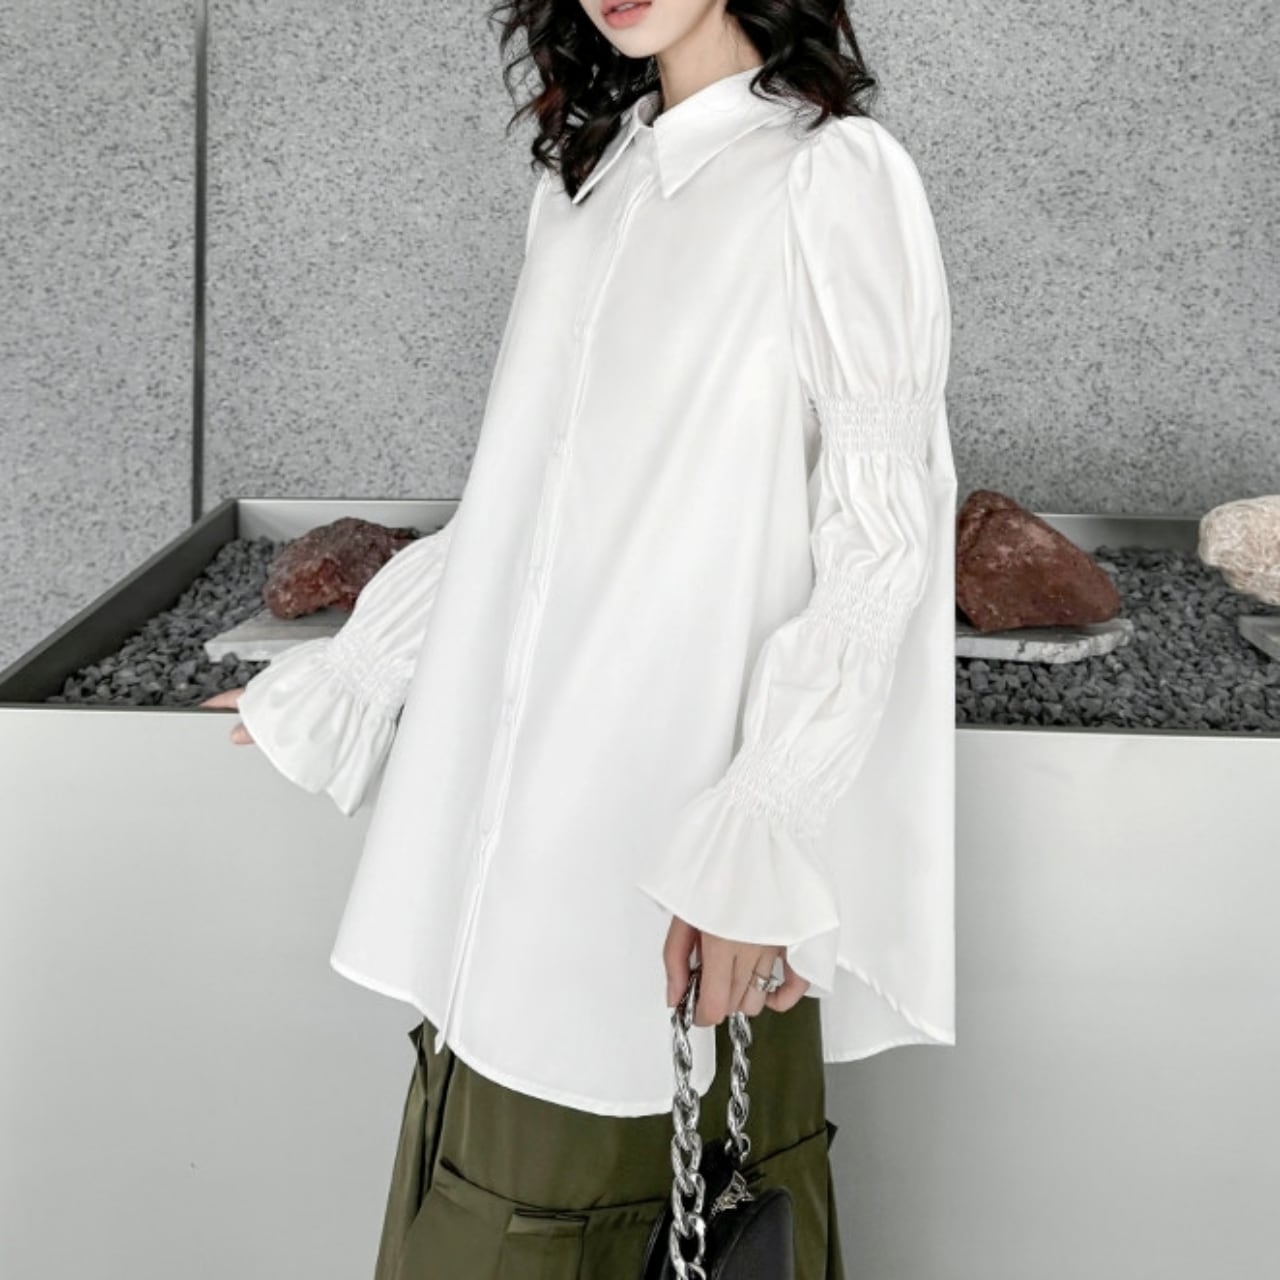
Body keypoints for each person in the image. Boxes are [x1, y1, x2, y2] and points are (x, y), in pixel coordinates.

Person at [202, 1, 957, 1275]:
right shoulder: (588, 183)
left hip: (672, 843)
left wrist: (760, 829)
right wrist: (353, 673)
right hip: (509, 844)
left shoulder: (828, 176)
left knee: (616, 1192)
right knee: (486, 1165)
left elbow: (882, 536)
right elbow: (524, 506)